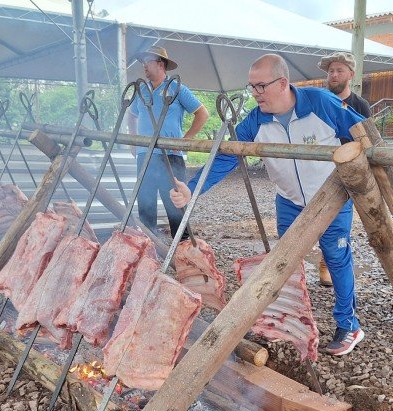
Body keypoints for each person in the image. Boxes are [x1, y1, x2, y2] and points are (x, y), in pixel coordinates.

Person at [170, 54, 366, 356]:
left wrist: (364, 178)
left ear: (282, 82)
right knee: (284, 259)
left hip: (330, 197)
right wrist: (192, 190)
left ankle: (348, 325)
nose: (255, 93)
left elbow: (363, 133)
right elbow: (227, 157)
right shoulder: (255, 120)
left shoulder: (320, 103)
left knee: (336, 258)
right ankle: (286, 321)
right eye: (252, 87)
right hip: (289, 200)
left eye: (260, 86)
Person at [127, 46, 209, 239]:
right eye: (143, 63)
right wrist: (132, 141)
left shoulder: (177, 88)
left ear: (160, 64)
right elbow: (131, 115)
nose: (144, 67)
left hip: (171, 157)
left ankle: (183, 250)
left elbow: (202, 114)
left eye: (148, 62)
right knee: (146, 206)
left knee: (175, 206)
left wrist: (185, 140)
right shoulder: (141, 90)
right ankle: (148, 250)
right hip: (145, 156)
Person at [316, 51, 371, 287]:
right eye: (331, 71)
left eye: (339, 70)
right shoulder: (318, 100)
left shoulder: (360, 105)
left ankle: (328, 263)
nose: (334, 75)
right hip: (318, 168)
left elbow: (366, 140)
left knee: (338, 220)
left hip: (345, 171)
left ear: (350, 74)